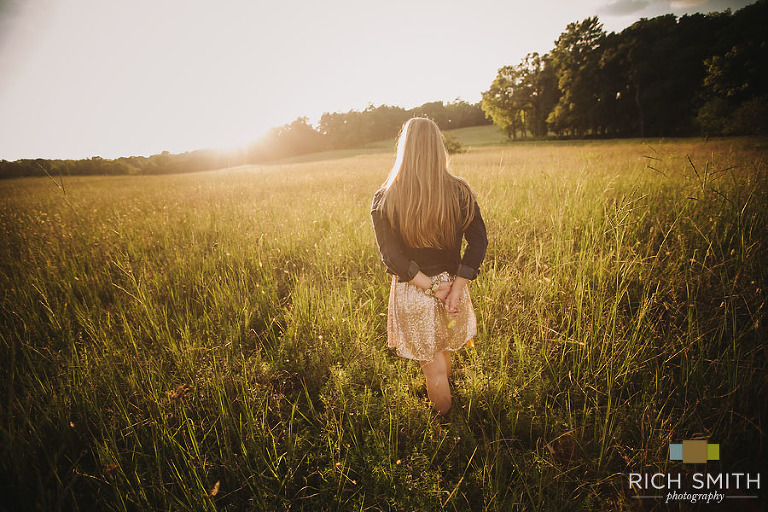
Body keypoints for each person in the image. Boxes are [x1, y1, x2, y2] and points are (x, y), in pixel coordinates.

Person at [371, 117, 488, 416]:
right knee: (442, 351)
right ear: (438, 147)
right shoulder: (460, 190)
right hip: (452, 287)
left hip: (415, 291)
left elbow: (392, 258)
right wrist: (454, 289)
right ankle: (449, 409)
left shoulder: (385, 198)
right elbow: (478, 243)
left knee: (434, 365)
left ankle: (448, 433)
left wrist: (432, 288)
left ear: (404, 148)